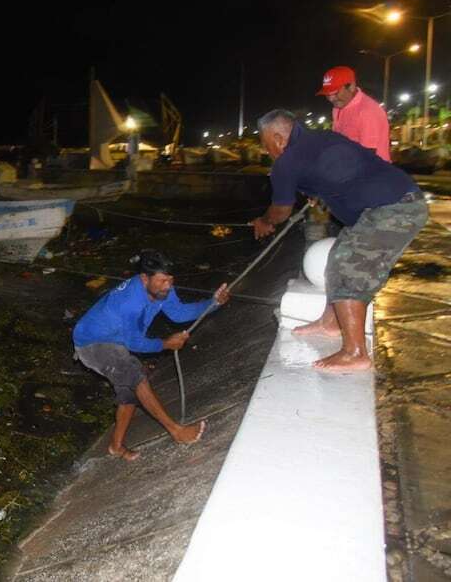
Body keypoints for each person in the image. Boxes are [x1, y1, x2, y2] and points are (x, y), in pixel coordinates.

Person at [251, 109, 427, 371]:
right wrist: (321, 191)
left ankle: (355, 352)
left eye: (266, 146)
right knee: (338, 254)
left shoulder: (286, 162)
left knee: (347, 266)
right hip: (395, 203)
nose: (268, 153)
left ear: (278, 138)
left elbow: (281, 211)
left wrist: (264, 222)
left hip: (392, 209)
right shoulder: (320, 139)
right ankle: (330, 322)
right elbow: (342, 169)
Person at [72, 250, 230, 461]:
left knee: (128, 390)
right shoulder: (130, 302)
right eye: (163, 281)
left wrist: (213, 303)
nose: (168, 285)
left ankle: (115, 446)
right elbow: (134, 342)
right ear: (144, 278)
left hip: (115, 339)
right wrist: (166, 343)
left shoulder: (164, 288)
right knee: (136, 376)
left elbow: (178, 313)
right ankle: (176, 431)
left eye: (171, 279)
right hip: (92, 342)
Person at [318, 65, 392, 162]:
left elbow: (368, 155)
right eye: (328, 94)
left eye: (335, 93)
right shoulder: (338, 108)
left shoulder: (368, 111)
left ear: (351, 87)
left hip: (372, 173)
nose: (331, 99)